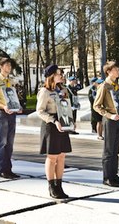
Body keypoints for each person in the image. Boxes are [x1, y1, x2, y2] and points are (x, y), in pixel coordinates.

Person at [94, 61, 119, 187]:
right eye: (116, 69)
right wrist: (109, 115)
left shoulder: (118, 86)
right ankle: (107, 177)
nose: (118, 71)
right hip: (110, 120)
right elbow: (96, 105)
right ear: (109, 71)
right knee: (109, 150)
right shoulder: (104, 86)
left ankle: (114, 176)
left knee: (116, 150)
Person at [37, 65, 72, 199]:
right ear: (51, 75)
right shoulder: (44, 91)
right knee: (52, 157)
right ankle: (51, 186)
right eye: (58, 73)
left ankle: (59, 185)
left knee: (62, 156)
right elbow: (40, 111)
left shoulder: (63, 90)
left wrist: (70, 122)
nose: (61, 75)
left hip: (63, 123)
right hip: (51, 125)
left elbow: (66, 106)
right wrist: (53, 120)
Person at [0, 58, 21, 179]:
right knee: (3, 142)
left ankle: (9, 169)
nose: (9, 67)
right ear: (0, 66)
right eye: (7, 65)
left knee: (10, 143)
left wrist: (17, 106)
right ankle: (2, 169)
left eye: (10, 65)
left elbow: (12, 96)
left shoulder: (10, 81)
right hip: (1, 113)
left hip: (12, 113)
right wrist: (3, 106)